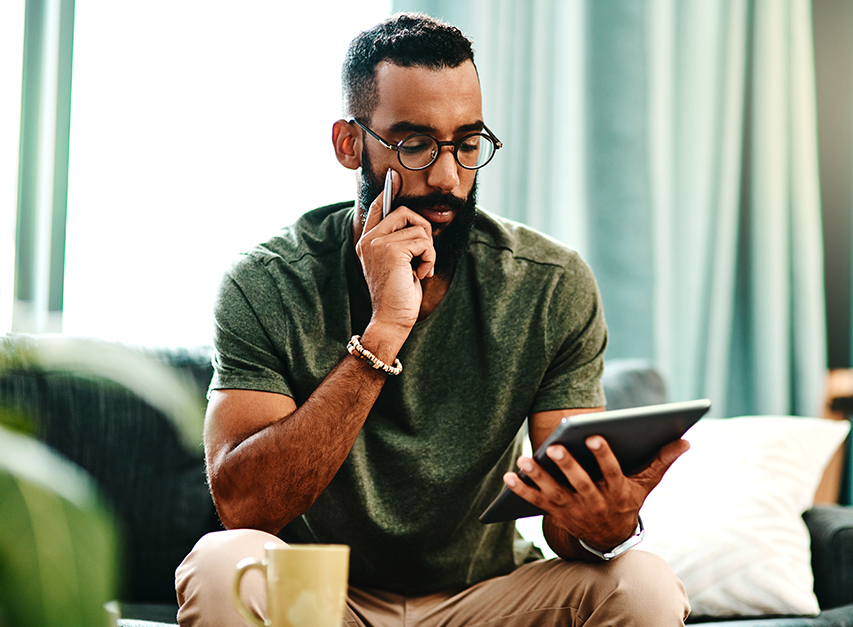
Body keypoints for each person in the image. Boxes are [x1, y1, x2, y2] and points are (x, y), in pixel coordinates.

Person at [175, 12, 691, 627]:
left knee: (644, 583)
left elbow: (567, 527)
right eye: (415, 144)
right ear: (349, 144)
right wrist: (384, 331)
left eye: (468, 144)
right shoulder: (267, 281)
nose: (448, 177)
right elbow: (244, 508)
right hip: (321, 601)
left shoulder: (549, 283)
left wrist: (606, 527)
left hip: (487, 598)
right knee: (221, 563)